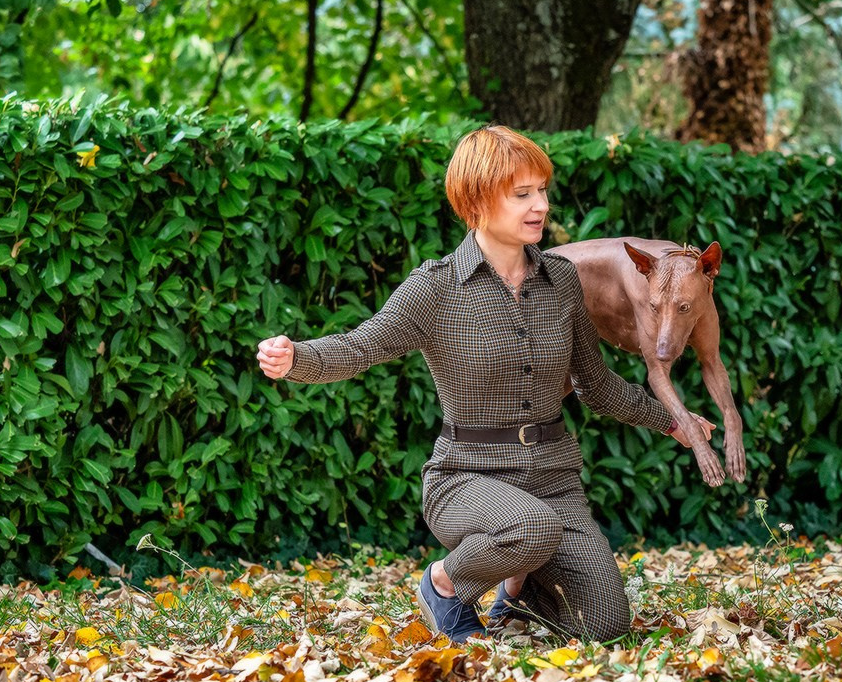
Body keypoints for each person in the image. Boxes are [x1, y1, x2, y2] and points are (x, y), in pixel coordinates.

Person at [257, 125, 714, 644]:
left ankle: (518, 598)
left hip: (553, 481)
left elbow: (596, 384)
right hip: (466, 478)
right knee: (532, 526)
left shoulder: (562, 280)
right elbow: (362, 346)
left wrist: (673, 421)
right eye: (522, 194)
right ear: (476, 202)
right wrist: (297, 358)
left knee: (606, 624)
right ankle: (444, 584)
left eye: (542, 190)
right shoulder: (436, 286)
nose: (540, 205)